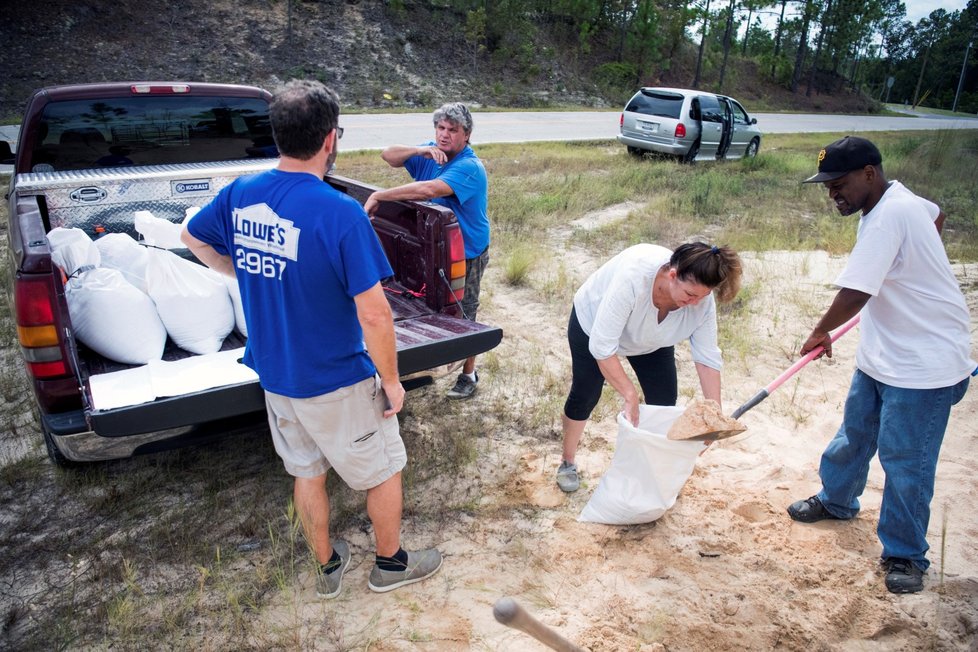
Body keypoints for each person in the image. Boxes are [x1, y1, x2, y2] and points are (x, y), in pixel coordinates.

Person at [180, 80, 442, 599]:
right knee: (384, 468)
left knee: (307, 472)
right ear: (330, 139)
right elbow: (374, 313)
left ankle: (327, 569)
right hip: (335, 376)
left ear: (277, 135)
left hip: (276, 374)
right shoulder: (339, 211)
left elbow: (191, 237)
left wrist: (245, 271)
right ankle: (391, 565)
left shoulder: (239, 193)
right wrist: (391, 381)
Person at [789, 135, 975, 594]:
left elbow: (855, 293)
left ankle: (906, 555)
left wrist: (820, 332)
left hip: (924, 365)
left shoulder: (889, 216)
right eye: (827, 185)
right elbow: (937, 215)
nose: (833, 193)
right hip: (884, 354)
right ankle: (836, 500)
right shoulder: (900, 201)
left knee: (905, 460)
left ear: (870, 173)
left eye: (839, 183)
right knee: (855, 435)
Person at [556, 241, 742, 493]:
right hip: (593, 326)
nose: (695, 302)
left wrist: (715, 414)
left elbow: (707, 356)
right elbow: (602, 347)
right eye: (689, 294)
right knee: (586, 394)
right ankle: (567, 462)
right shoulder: (633, 279)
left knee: (664, 402)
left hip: (653, 338)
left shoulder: (701, 302)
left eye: (702, 296)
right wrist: (629, 394)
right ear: (672, 275)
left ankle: (652, 471)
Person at [363, 102, 490, 400]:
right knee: (434, 302)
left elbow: (428, 190)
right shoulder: (432, 153)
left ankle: (468, 374)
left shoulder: (469, 167)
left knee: (465, 310)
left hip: (467, 250)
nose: (444, 135)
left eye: (452, 130)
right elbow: (388, 155)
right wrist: (418, 151)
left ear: (466, 134)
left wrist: (380, 195)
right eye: (440, 128)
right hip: (437, 246)